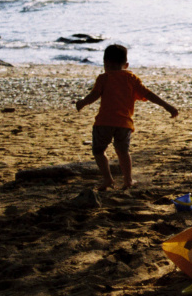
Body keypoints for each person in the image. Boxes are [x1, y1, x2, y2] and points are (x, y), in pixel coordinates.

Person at [75, 44, 178, 190]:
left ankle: (108, 179)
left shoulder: (103, 78)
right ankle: (128, 180)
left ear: (105, 63)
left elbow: (94, 96)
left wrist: (82, 103)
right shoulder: (131, 78)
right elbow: (148, 94)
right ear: (126, 64)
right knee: (123, 152)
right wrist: (167, 106)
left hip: (104, 122)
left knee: (98, 151)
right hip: (124, 124)